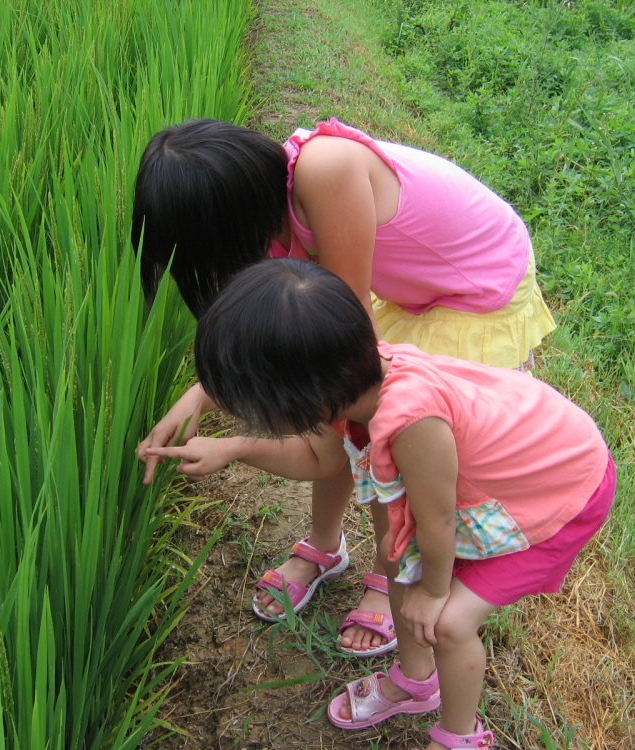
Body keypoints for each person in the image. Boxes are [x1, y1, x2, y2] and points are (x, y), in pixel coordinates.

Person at [144, 259, 615, 750]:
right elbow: (320, 459)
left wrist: (432, 592)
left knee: (449, 623)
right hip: (522, 459)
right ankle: (416, 682)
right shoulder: (355, 379)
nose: (253, 414)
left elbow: (437, 524)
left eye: (257, 406)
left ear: (303, 395)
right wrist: (230, 447)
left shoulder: (413, 423)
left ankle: (460, 737)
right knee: (395, 552)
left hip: (561, 491)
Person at [133, 117, 558, 657]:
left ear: (224, 220)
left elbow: (345, 349)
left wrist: (242, 432)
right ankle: (326, 546)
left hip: (474, 287)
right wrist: (199, 395)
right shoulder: (266, 220)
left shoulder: (324, 171)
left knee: (382, 434)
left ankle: (392, 572)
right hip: (409, 289)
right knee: (336, 413)